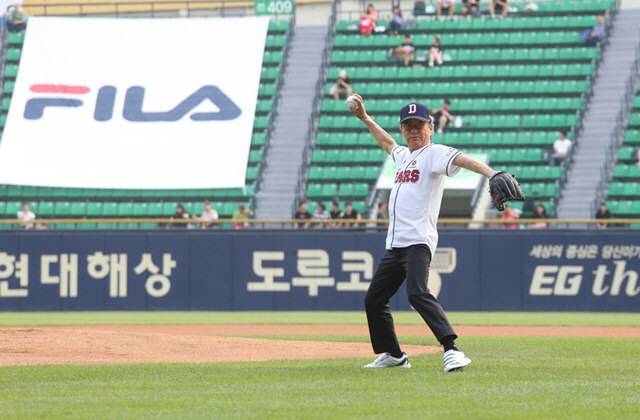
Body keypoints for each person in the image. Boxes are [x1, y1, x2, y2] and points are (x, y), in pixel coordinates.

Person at [348, 93, 503, 372]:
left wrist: (491, 174)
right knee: (374, 299)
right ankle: (393, 354)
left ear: (430, 127)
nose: (414, 131)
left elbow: (463, 159)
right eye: (408, 126)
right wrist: (366, 118)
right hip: (395, 245)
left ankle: (452, 349)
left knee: (417, 293)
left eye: (419, 125)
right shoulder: (404, 156)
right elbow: (387, 143)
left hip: (418, 241)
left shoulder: (434, 153)